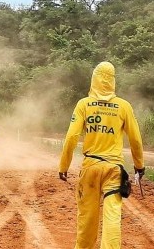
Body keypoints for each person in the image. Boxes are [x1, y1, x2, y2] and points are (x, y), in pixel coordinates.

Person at [59, 61, 145, 249]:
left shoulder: (84, 105)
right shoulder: (123, 107)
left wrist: (63, 166)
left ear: (94, 79)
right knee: (112, 217)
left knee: (87, 220)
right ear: (113, 81)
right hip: (113, 171)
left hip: (90, 168)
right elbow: (136, 140)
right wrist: (139, 165)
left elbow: (71, 137)